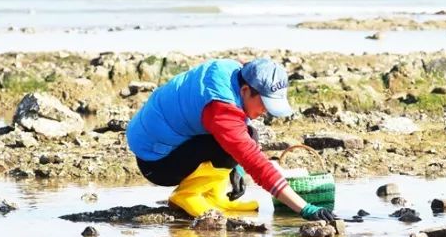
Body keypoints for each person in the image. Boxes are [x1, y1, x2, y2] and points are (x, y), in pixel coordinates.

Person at [126, 57, 338, 222]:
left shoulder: (234, 71)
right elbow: (258, 166)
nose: (266, 112)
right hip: (156, 162)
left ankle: (214, 196)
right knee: (233, 146)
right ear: (246, 90)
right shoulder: (220, 107)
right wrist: (305, 209)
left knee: (249, 136)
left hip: (167, 140)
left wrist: (236, 169)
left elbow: (240, 133)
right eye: (264, 104)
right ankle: (187, 196)